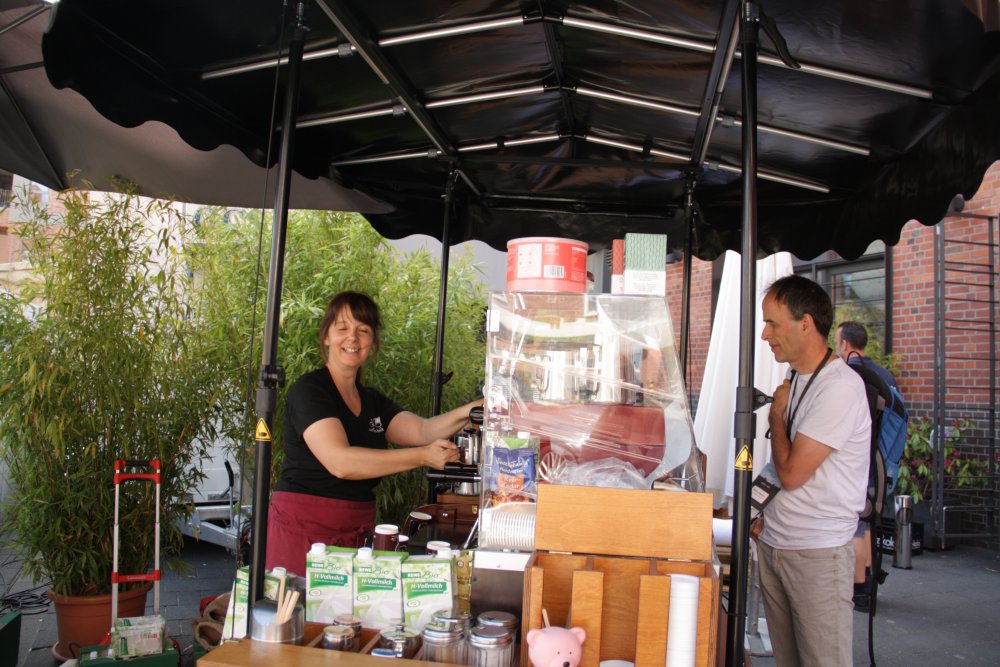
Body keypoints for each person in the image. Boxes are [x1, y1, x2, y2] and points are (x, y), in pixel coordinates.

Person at [265, 291, 482, 574]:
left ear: (373, 341)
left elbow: (423, 430)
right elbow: (341, 462)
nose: (353, 338)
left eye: (363, 330)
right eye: (342, 328)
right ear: (326, 336)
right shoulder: (310, 390)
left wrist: (472, 411)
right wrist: (422, 457)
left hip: (355, 527)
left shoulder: (371, 400)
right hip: (304, 529)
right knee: (301, 602)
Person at [752, 275, 871, 667]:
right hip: (777, 543)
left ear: (805, 324)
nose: (765, 335)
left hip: (816, 554)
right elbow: (781, 469)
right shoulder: (796, 378)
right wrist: (761, 511)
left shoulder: (839, 387)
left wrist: (776, 415)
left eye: (773, 324)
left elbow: (791, 474)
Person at [835, 320, 900, 613]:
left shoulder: (853, 375)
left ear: (846, 344)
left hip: (861, 464)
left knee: (856, 528)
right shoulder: (883, 374)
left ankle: (860, 591)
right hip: (882, 464)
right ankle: (870, 583)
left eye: (837, 342)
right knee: (867, 522)